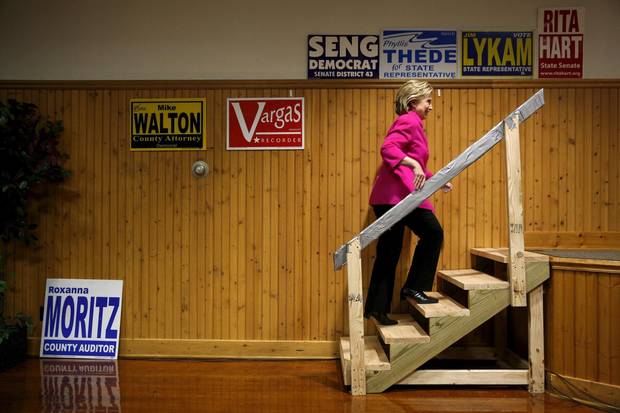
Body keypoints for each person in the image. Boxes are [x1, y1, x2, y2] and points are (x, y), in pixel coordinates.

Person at [364, 80, 452, 326]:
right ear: (413, 102)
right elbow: (388, 148)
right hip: (397, 197)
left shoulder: (416, 125)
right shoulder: (409, 120)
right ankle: (414, 287)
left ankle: (378, 310)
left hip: (393, 197)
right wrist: (413, 164)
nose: (431, 107)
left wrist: (437, 181)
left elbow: (418, 165)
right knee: (433, 233)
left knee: (389, 253)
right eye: (428, 101)